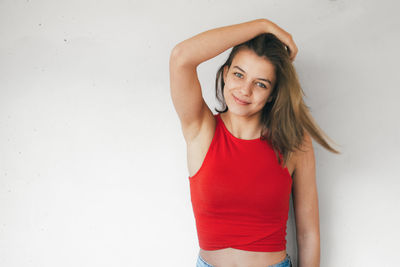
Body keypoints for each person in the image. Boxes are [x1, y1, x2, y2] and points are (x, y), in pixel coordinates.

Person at [169, 18, 340, 267]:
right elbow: (181, 57)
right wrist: (263, 26)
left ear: (272, 95)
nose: (245, 90)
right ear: (226, 74)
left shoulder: (294, 142)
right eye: (239, 74)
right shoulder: (201, 129)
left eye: (260, 84)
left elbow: (308, 234)